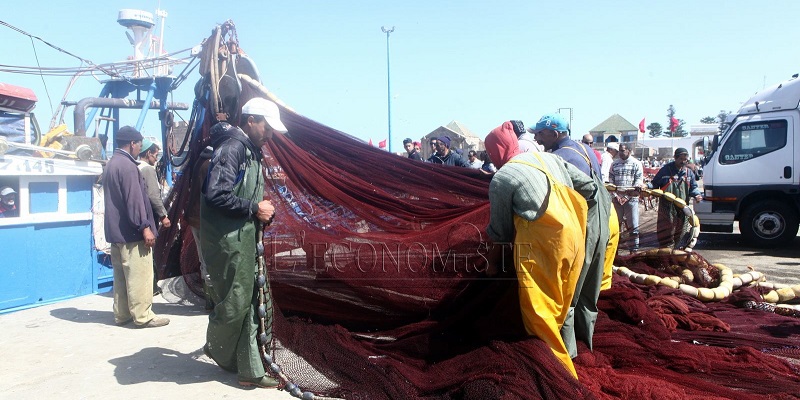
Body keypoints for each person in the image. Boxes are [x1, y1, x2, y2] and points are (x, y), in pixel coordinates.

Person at [484, 121, 597, 379]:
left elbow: (500, 233)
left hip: (543, 248)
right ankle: (568, 357)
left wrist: (490, 265)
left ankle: (563, 381)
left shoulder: (502, 178)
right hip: (575, 239)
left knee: (539, 315)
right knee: (561, 304)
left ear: (495, 152)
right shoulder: (547, 158)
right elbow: (589, 187)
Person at [200, 97, 284, 389]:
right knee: (235, 303)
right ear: (251, 121)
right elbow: (217, 194)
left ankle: (249, 367)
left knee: (251, 300)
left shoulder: (251, 150)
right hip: (228, 240)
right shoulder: (233, 148)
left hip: (243, 236)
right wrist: (254, 209)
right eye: (267, 127)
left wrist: (259, 212)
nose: (271, 134)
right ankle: (217, 346)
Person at [529, 113, 615, 361]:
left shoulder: (561, 158)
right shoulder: (584, 149)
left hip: (584, 225)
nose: (536, 137)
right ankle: (585, 344)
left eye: (541, 133)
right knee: (589, 290)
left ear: (555, 133)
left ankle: (567, 356)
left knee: (568, 289)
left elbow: (566, 199)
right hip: (601, 222)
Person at [103, 125, 169, 329]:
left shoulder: (111, 164)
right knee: (140, 276)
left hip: (116, 234)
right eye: (139, 143)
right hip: (133, 234)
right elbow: (134, 201)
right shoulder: (128, 166)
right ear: (132, 143)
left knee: (121, 278)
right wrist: (145, 227)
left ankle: (122, 315)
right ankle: (143, 316)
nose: (140, 147)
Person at [648, 147, 703, 247]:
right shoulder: (665, 170)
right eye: (680, 159)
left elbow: (693, 187)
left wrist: (697, 195)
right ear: (675, 158)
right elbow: (654, 184)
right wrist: (646, 186)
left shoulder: (689, 172)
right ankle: (665, 249)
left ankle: (678, 248)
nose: (683, 161)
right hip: (666, 207)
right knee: (666, 228)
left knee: (681, 229)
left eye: (685, 159)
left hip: (682, 207)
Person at [138, 138, 171, 295]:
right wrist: (163, 216)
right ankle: (151, 288)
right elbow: (153, 196)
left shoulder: (136, 167)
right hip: (148, 217)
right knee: (148, 253)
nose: (156, 158)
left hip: (139, 217)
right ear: (148, 153)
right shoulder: (148, 170)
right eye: (155, 154)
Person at [608, 144, 644, 252]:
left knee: (633, 225)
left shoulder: (636, 164)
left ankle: (634, 250)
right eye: (619, 151)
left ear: (629, 151)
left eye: (623, 151)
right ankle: (616, 249)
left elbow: (638, 180)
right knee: (615, 224)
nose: (620, 153)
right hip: (617, 199)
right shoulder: (614, 164)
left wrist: (627, 196)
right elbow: (611, 181)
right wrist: (616, 196)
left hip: (631, 199)